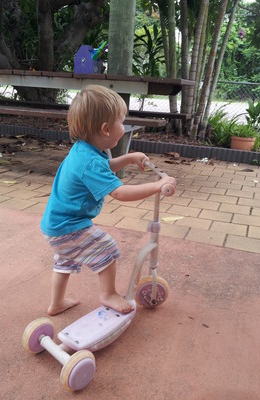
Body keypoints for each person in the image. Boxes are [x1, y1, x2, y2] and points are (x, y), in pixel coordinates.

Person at [41, 85, 176, 316]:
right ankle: (108, 294)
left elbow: (104, 168)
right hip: (69, 227)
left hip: (56, 224)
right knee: (107, 248)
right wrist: (156, 186)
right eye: (121, 122)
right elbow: (119, 193)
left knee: (64, 261)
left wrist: (128, 158)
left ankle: (56, 303)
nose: (124, 127)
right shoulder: (90, 161)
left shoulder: (85, 150)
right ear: (105, 129)